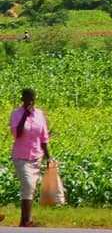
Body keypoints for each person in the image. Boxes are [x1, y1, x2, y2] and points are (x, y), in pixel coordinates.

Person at [10, 88, 50, 227]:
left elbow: (44, 137)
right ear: (22, 99)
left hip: (36, 156)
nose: (30, 102)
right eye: (27, 99)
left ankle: (24, 220)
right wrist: (25, 116)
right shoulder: (16, 114)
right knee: (28, 184)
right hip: (21, 156)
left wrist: (48, 157)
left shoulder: (39, 114)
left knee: (31, 188)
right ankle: (27, 220)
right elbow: (17, 134)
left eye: (32, 99)